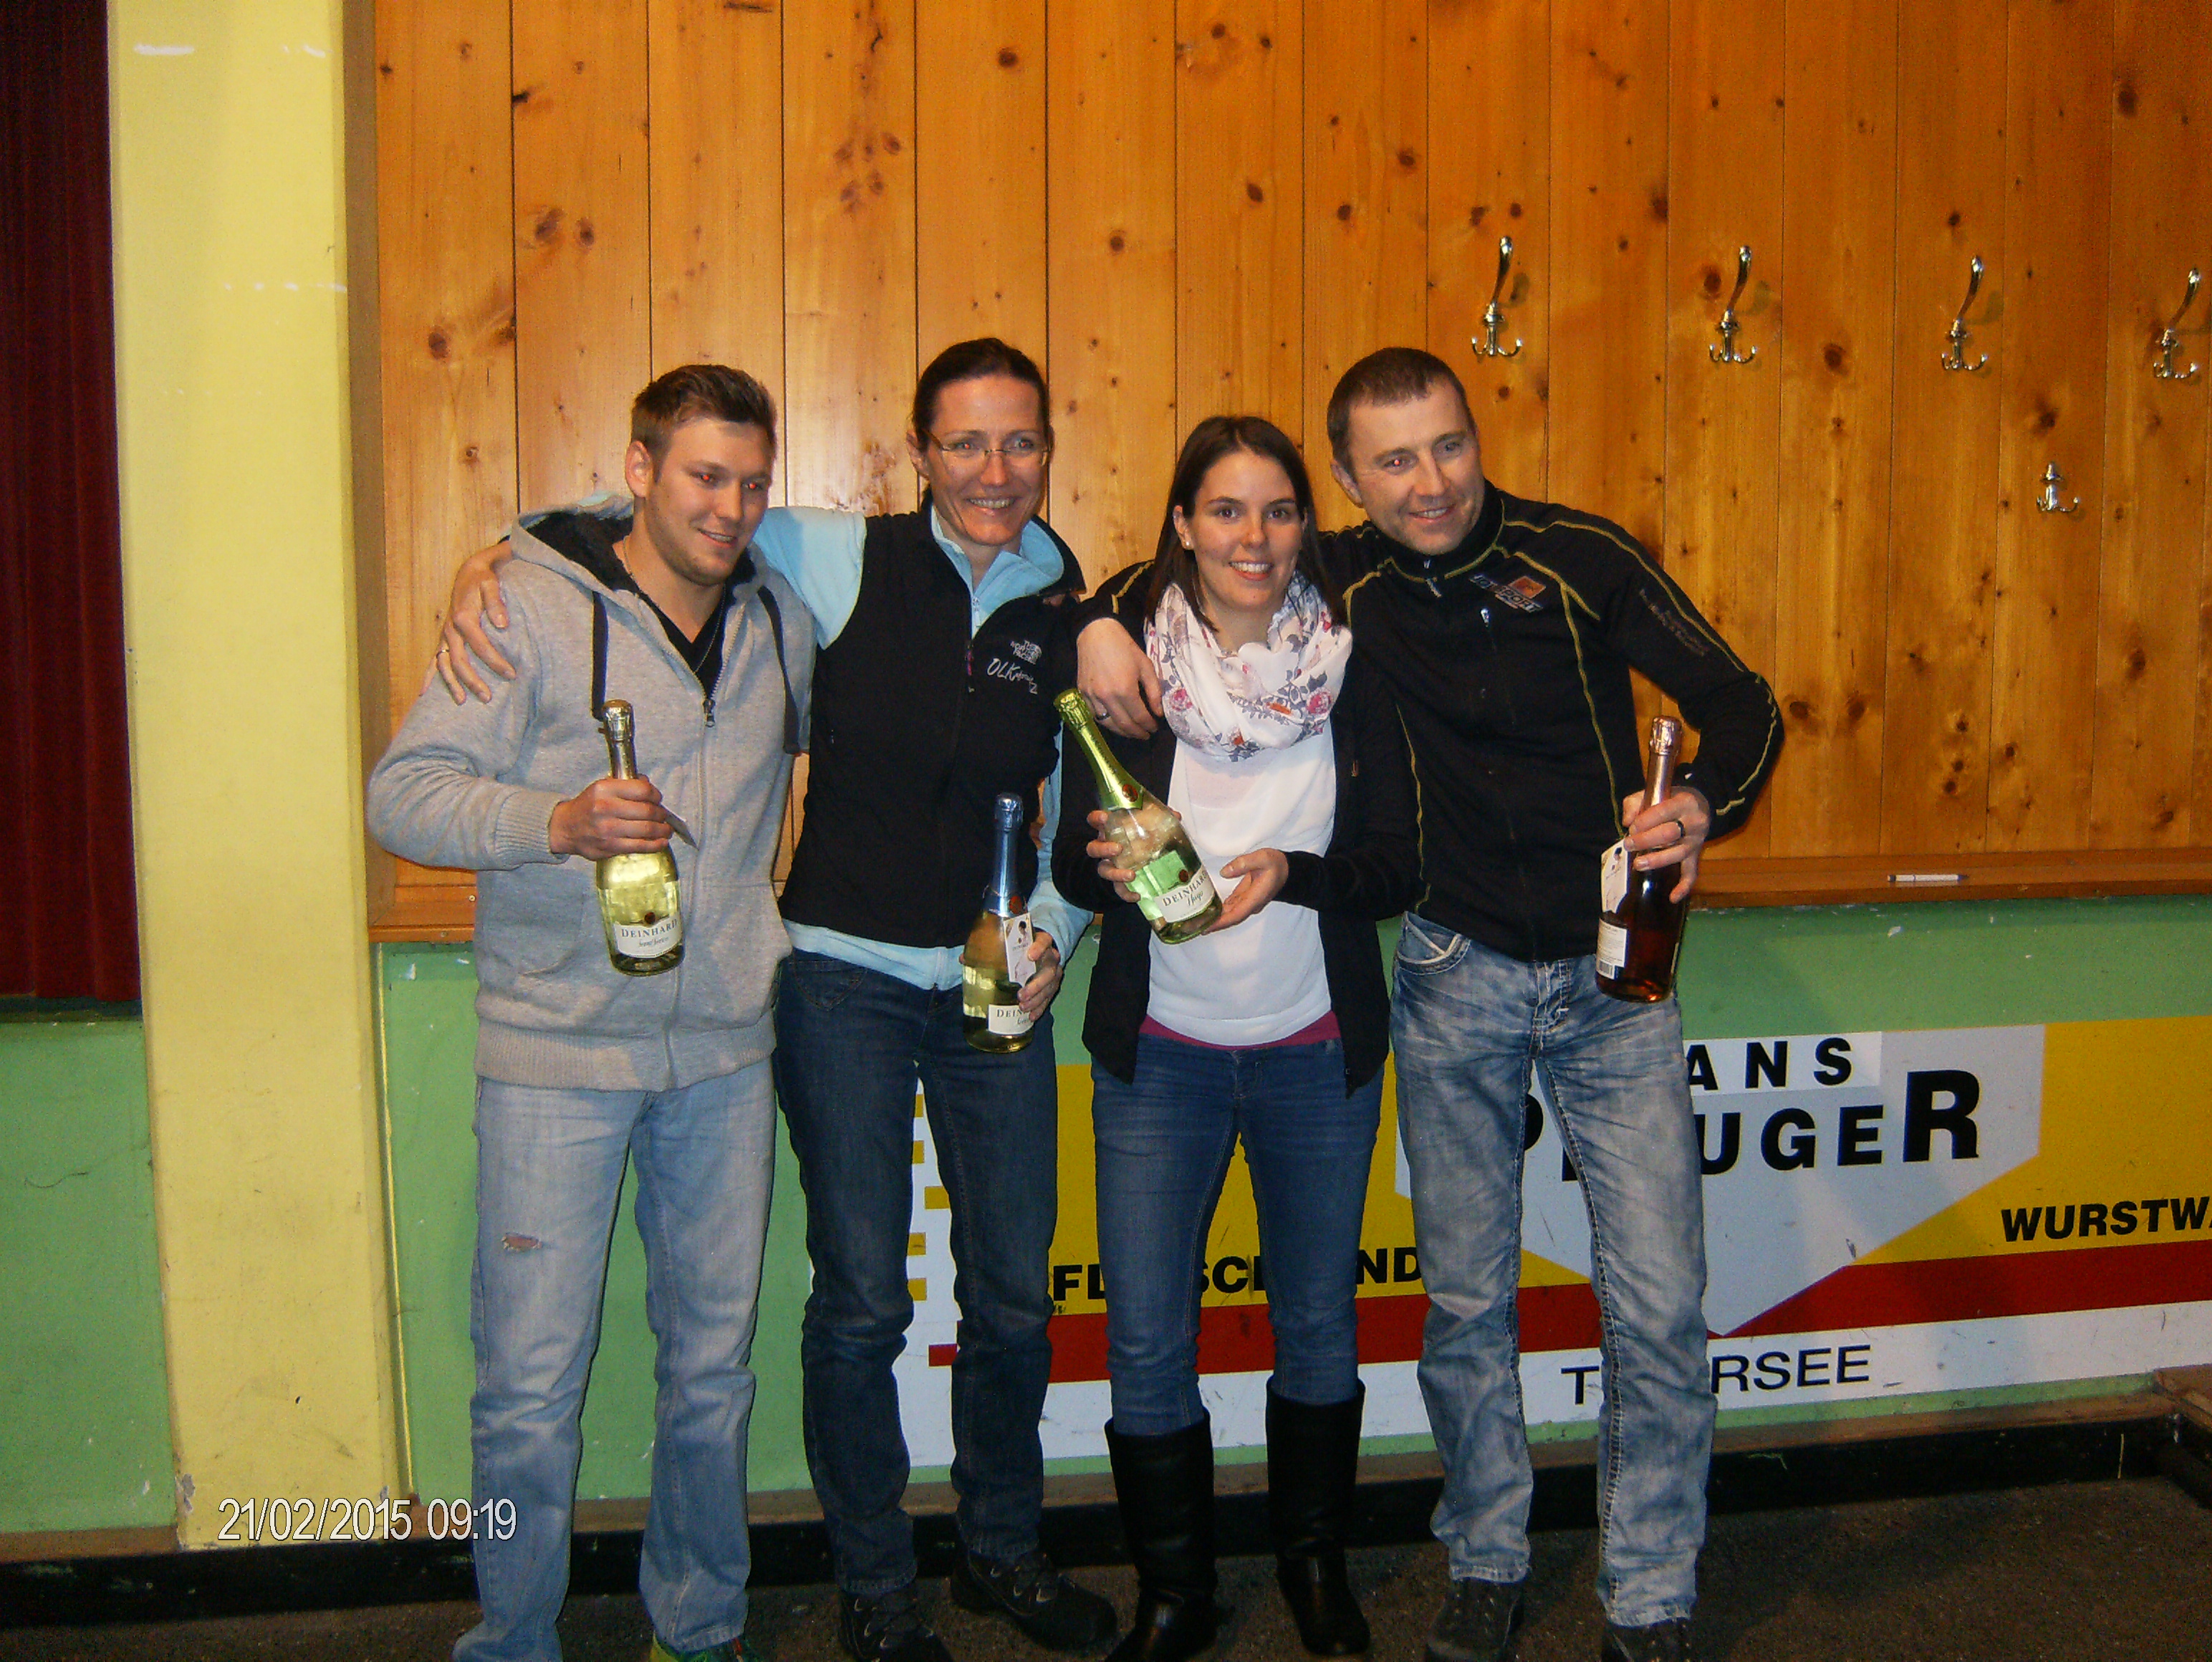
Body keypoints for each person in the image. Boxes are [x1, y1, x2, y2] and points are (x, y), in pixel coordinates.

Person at [1077, 350, 1782, 1662]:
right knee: (1465, 1305)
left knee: (1660, 1303)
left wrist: (1698, 806)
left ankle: (1650, 1593)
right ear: (1352, 484)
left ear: (1476, 437)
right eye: (1393, 460)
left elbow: (1744, 707)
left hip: (1615, 977)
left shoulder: (1582, 555)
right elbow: (1189, 559)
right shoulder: (1344, 576)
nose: (1431, 482)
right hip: (1456, 977)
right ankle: (1487, 1560)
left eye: (1448, 444)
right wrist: (1098, 620)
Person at [438, 340, 1115, 1662]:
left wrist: (1059, 932)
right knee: (861, 1300)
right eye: (964, 443)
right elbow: (662, 519)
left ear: (1047, 450)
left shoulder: (1063, 598)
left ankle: (1002, 1551)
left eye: (1021, 442)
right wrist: (503, 551)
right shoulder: (833, 555)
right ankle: (875, 1582)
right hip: (840, 982)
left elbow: (1081, 793)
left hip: (995, 987)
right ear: (917, 452)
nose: (994, 469)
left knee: (1013, 1298)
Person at [368, 364, 814, 1662]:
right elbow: (403, 794)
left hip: (723, 1053)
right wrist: (552, 822)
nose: (729, 507)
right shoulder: (528, 606)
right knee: (527, 1389)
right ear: (637, 471)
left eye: (753, 482)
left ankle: (701, 1623)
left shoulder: (782, 620)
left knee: (712, 1373)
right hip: (554, 1055)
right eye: (703, 476)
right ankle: (513, 1639)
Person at [1052, 417, 1419, 1662]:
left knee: (1317, 1321)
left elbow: (1399, 864)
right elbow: (1074, 859)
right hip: (1162, 1055)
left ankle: (1313, 1568)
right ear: (1183, 524)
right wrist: (1105, 866)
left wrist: (1298, 874)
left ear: (1305, 525)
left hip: (1315, 1050)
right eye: (1224, 509)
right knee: (1149, 1335)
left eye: (1277, 510)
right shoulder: (1128, 675)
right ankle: (1176, 1593)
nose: (1252, 537)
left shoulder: (1354, 665)